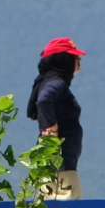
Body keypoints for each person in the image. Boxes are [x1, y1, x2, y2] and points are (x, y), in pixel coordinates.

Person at [26, 37, 86, 199]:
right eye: (75, 56)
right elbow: (44, 100)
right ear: (64, 59)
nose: (79, 60)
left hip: (53, 163)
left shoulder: (48, 82)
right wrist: (51, 126)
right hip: (62, 165)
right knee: (71, 205)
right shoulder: (56, 83)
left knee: (49, 205)